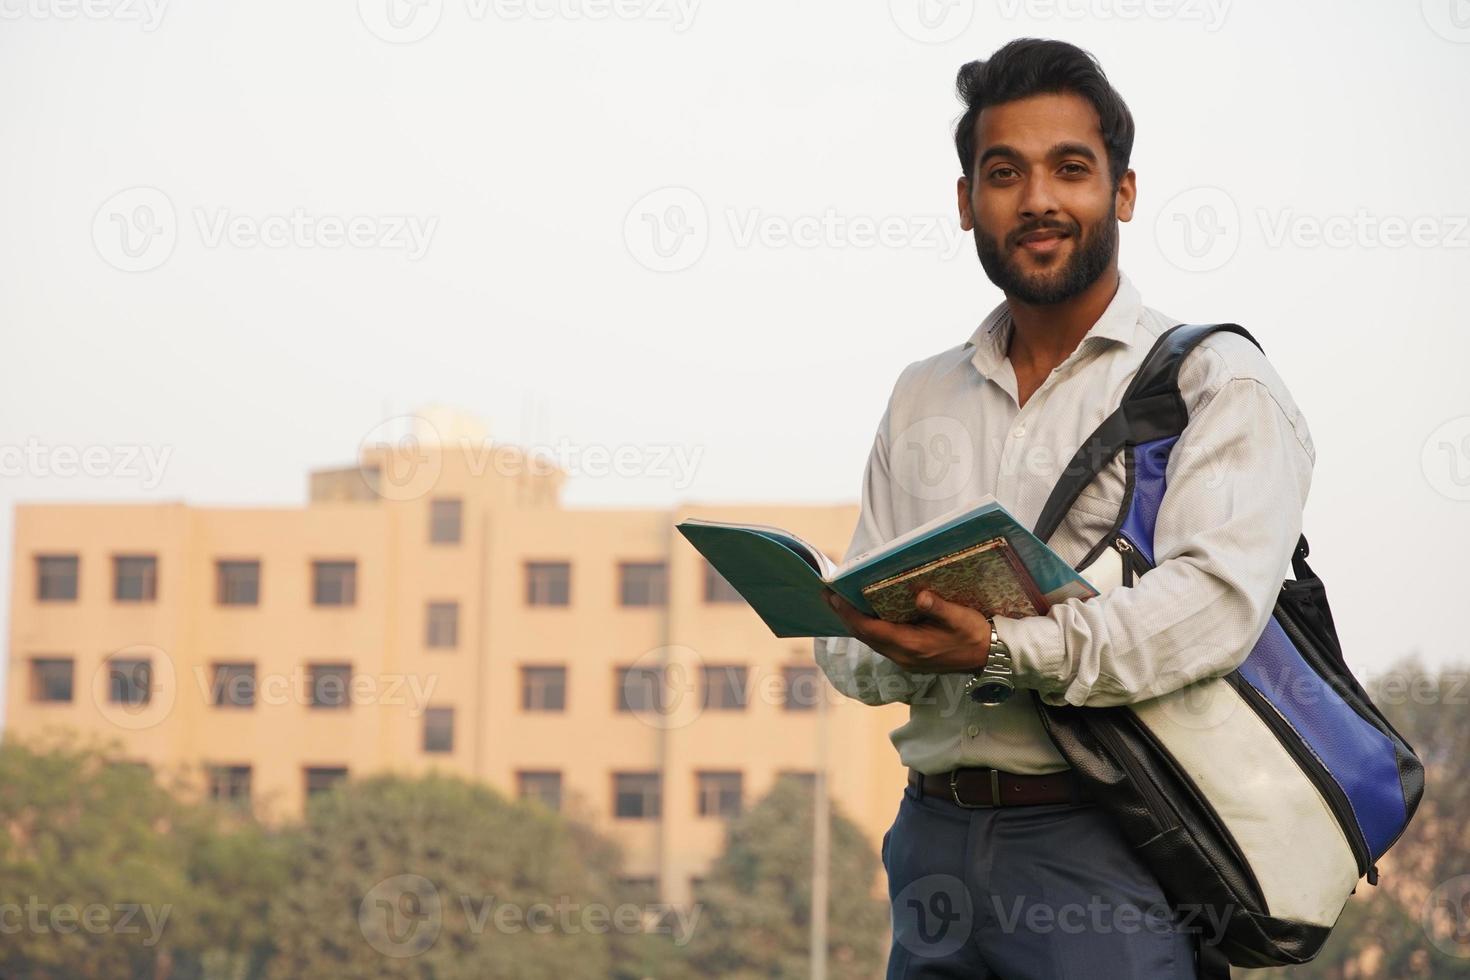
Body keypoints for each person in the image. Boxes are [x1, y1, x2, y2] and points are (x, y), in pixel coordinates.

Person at [813, 37, 1315, 979]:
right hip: (928, 837)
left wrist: (999, 649)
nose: (1037, 198)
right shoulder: (921, 394)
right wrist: (865, 636)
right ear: (966, 205)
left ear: (1122, 193)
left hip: (1111, 840)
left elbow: (1207, 613)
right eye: (1003, 172)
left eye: (1070, 169)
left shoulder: (1216, 382)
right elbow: (851, 635)